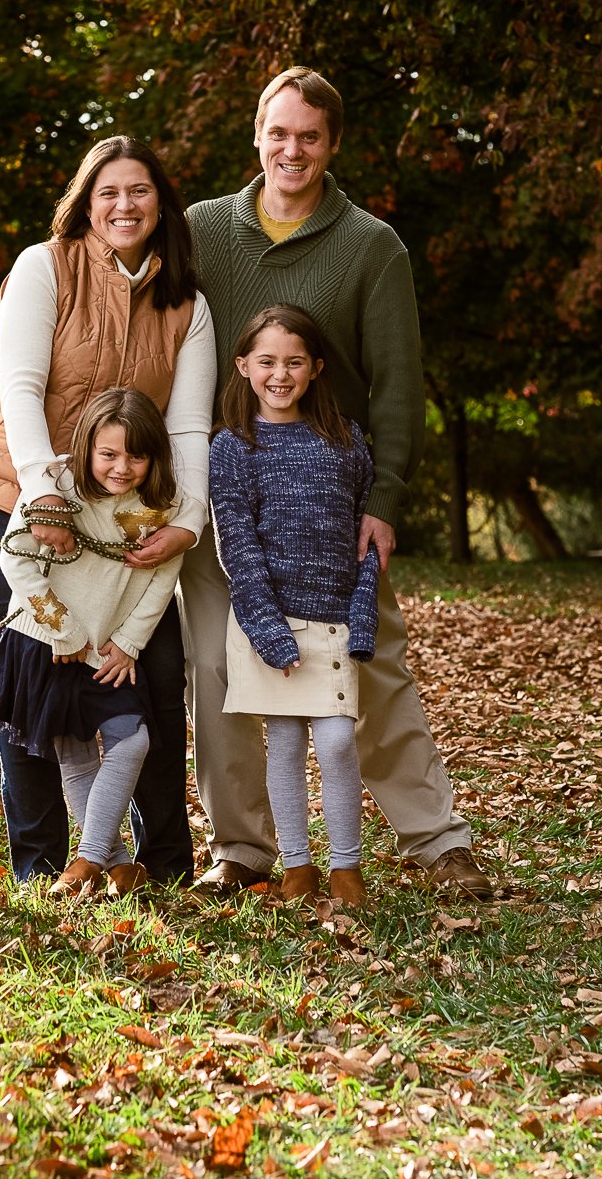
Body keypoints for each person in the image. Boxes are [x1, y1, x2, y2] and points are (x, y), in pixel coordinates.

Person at [181, 66, 493, 900]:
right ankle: (242, 850)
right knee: (220, 672)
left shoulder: (369, 245)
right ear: (256, 135)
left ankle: (438, 840)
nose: (293, 150)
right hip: (231, 496)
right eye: (279, 133)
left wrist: (383, 500)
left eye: (310, 137)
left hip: (332, 505)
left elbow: (397, 384)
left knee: (371, 664)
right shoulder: (202, 231)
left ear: (332, 145)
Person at [0, 135, 216, 883]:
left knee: (152, 670)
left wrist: (185, 520)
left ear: (162, 206)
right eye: (109, 193)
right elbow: (24, 388)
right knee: (36, 668)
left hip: (122, 507)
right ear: (87, 203)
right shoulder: (44, 266)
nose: (125, 205)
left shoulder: (186, 305)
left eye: (140, 192)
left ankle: (159, 865)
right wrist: (43, 496)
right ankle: (41, 866)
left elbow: (188, 427)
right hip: (9, 486)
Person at [0, 388, 185, 898]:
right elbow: (15, 562)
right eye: (108, 454)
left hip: (109, 650)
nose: (121, 468)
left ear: (154, 456)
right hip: (43, 641)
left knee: (131, 739)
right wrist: (64, 629)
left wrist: (130, 642)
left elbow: (162, 579)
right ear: (88, 447)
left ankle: (88, 859)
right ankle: (116, 863)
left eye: (135, 456)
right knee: (75, 757)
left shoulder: (163, 505)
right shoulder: (57, 487)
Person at [209, 306, 378, 907]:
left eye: (294, 362)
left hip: (333, 621)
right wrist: (267, 631)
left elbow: (364, 538)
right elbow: (237, 543)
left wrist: (362, 615)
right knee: (282, 743)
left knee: (335, 742)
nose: (280, 374)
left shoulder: (344, 439)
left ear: (315, 369)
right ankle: (298, 866)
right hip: (267, 622)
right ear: (244, 367)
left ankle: (346, 867)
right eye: (267, 362)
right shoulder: (232, 447)